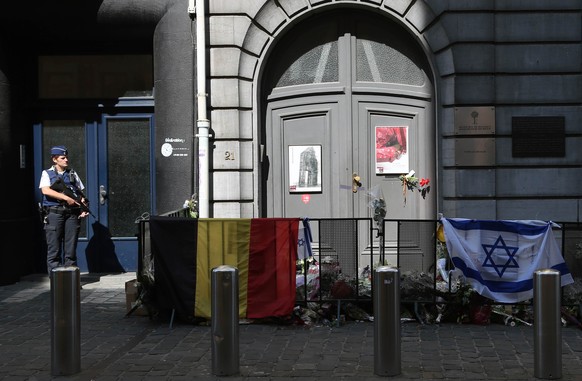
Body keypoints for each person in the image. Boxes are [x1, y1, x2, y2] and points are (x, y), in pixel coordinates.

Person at [39, 145, 90, 274]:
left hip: (72, 214)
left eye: (66, 157)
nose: (66, 160)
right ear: (54, 159)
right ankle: (56, 282)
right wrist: (65, 198)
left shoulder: (72, 173)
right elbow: (45, 190)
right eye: (63, 158)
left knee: (70, 250)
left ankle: (71, 281)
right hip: (54, 213)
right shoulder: (47, 173)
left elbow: (80, 193)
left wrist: (83, 207)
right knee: (54, 250)